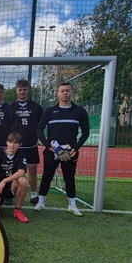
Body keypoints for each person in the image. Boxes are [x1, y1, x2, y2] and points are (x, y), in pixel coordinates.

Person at [35, 82, 90, 216]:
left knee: (69, 178)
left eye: (67, 90)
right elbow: (39, 129)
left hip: (70, 152)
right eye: (62, 91)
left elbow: (85, 132)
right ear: (58, 94)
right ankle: (41, 202)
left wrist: (76, 148)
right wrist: (48, 146)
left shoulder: (79, 111)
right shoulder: (50, 111)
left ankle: (72, 205)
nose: (65, 93)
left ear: (72, 92)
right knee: (47, 176)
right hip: (52, 151)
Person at [9, 79, 43, 204]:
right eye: (20, 90)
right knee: (16, 170)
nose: (22, 92)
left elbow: (40, 125)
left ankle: (34, 194)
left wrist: (39, 137)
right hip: (16, 144)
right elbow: (7, 125)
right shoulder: (10, 108)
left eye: (24, 89)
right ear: (16, 91)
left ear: (28, 90)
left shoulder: (36, 107)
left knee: (32, 169)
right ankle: (12, 191)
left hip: (31, 143)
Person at [0, 132, 29, 223]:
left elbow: (21, 172)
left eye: (15, 143)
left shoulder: (21, 153)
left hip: (10, 186)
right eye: (10, 142)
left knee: (23, 181)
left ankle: (17, 210)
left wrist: (4, 181)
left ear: (20, 144)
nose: (12, 145)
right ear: (6, 142)